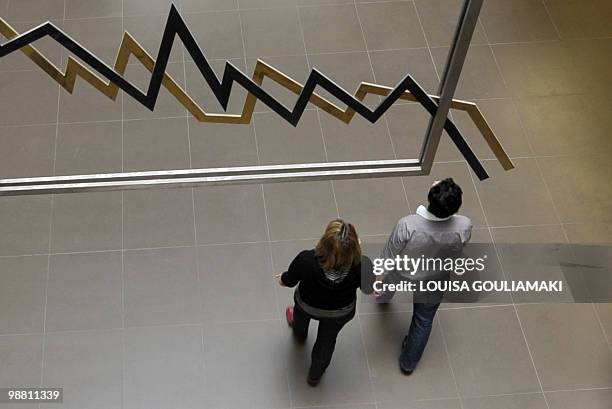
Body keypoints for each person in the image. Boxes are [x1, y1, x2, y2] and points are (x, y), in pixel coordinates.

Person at [377, 178, 472, 375]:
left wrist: (378, 278)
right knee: (423, 319)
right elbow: (461, 245)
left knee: (389, 282)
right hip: (435, 279)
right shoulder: (464, 225)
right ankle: (408, 363)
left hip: (404, 273)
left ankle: (383, 297)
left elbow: (389, 255)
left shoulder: (407, 224)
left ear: (430, 198)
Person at [278, 219, 375, 386]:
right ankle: (315, 375)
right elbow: (368, 289)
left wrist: (282, 279)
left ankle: (299, 334)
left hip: (307, 305)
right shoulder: (362, 265)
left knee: (300, 317)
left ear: (324, 242)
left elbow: (289, 280)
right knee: (327, 340)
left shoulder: (306, 259)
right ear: (355, 245)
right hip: (339, 312)